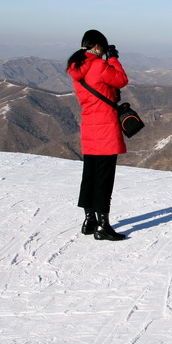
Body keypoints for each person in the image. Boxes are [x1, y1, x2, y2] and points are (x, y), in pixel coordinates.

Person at [67, 29, 129, 241]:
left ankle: (89, 220)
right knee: (104, 177)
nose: (103, 53)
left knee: (90, 175)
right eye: (103, 49)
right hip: (105, 129)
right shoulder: (100, 65)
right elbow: (121, 79)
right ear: (96, 46)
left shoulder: (77, 68)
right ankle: (103, 226)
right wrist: (113, 59)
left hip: (89, 128)